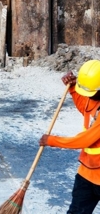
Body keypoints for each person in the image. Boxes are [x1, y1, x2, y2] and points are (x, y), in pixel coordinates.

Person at [40, 60, 100, 213]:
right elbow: (85, 108)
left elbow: (84, 139)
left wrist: (52, 140)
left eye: (91, 93)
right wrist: (73, 88)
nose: (89, 97)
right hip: (86, 173)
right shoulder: (94, 99)